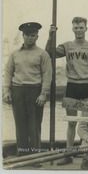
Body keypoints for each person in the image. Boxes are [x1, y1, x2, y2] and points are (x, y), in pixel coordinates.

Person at [46, 17, 88, 165]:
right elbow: (50, 52)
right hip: (72, 86)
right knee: (71, 123)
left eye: (81, 27)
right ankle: (68, 154)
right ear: (72, 29)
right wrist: (51, 35)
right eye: (76, 28)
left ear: (86, 28)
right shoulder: (67, 45)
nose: (78, 30)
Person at [3, 22, 52, 167]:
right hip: (18, 91)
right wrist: (6, 91)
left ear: (37, 36)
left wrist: (43, 94)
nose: (30, 38)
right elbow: (8, 73)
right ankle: (22, 156)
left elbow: (47, 75)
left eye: (33, 35)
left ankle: (36, 157)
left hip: (35, 92)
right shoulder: (14, 54)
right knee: (20, 125)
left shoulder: (42, 54)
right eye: (27, 35)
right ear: (23, 36)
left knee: (34, 125)